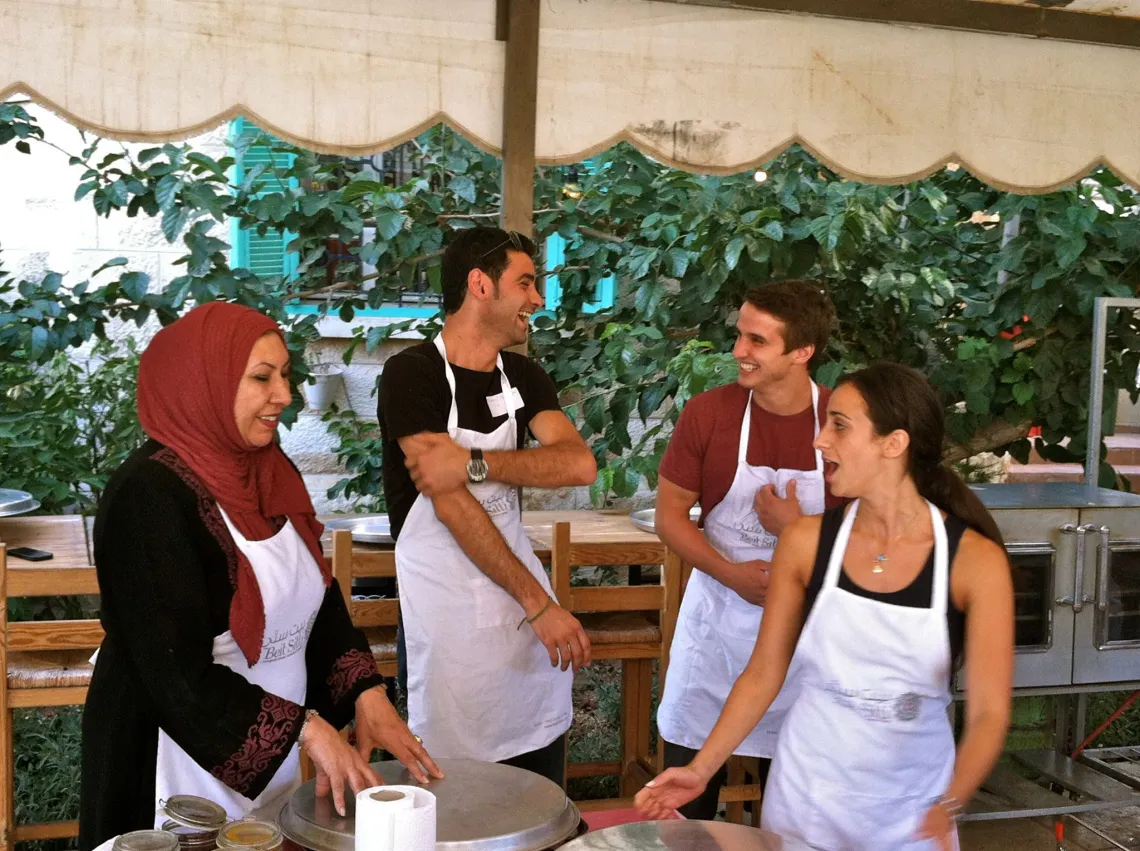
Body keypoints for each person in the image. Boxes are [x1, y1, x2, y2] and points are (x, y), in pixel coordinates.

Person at [79, 302, 441, 851]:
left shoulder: (270, 468)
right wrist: (305, 728)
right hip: (171, 762)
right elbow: (175, 674)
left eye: (286, 375)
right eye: (261, 378)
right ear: (204, 381)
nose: (285, 395)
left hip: (264, 758)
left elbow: (314, 598)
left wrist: (367, 695)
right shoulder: (146, 497)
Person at [637, 363, 1015, 851]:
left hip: (912, 814)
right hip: (804, 801)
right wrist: (699, 769)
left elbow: (989, 713)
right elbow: (763, 674)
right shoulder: (805, 541)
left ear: (893, 443)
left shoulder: (974, 563)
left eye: (839, 425)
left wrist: (951, 803)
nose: (819, 441)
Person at [377, 227, 597, 786]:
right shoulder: (411, 375)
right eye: (526, 282)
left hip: (516, 625)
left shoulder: (524, 377)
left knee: (536, 788)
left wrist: (475, 462)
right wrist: (540, 604)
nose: (537, 299)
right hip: (446, 619)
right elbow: (451, 507)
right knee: (452, 801)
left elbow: (577, 464)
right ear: (480, 285)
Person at [654, 280, 841, 819]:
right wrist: (731, 573)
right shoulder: (709, 413)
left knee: (789, 809)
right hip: (714, 627)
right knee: (686, 800)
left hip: (803, 642)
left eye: (757, 341)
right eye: (740, 336)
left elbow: (866, 543)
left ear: (801, 352)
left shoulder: (839, 421)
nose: (739, 352)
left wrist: (796, 529)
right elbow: (670, 518)